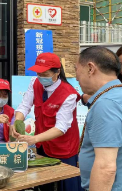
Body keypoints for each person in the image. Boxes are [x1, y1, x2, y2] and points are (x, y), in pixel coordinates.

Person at [11, 52, 82, 191]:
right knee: (44, 184)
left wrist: (33, 139)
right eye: (38, 73)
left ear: (57, 72)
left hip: (63, 148)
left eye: (45, 74)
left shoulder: (69, 94)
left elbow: (61, 127)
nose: (41, 77)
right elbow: (24, 106)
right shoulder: (35, 83)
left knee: (66, 185)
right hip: (43, 146)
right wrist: (16, 122)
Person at [76, 46, 122, 191]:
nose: (76, 77)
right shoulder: (117, 96)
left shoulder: (105, 104)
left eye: (77, 69)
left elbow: (106, 167)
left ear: (91, 68)